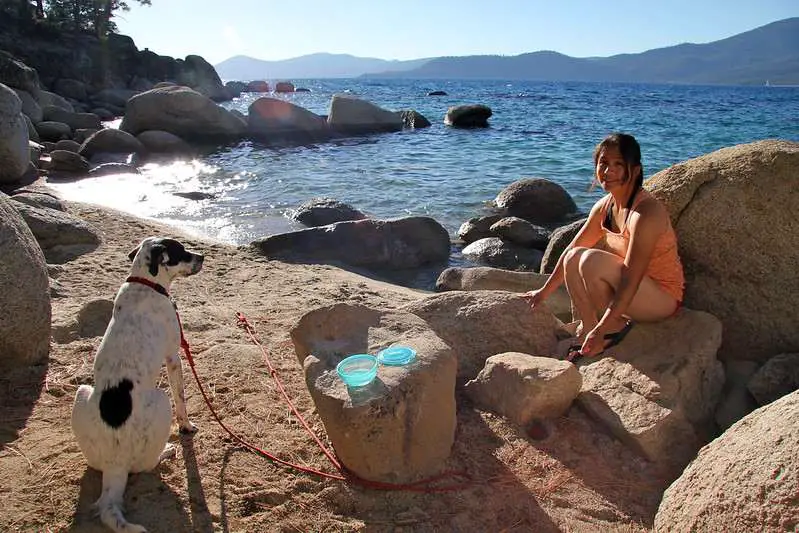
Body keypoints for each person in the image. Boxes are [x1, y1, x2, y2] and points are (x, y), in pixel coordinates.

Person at [524, 133, 684, 361]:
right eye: (604, 163)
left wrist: (604, 326)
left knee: (590, 261)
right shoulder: (604, 207)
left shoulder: (646, 212)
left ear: (636, 170)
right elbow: (572, 248)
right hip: (630, 295)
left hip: (661, 299)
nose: (608, 172)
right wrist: (543, 293)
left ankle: (610, 328)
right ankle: (591, 331)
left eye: (618, 164)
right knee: (574, 256)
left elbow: (631, 276)